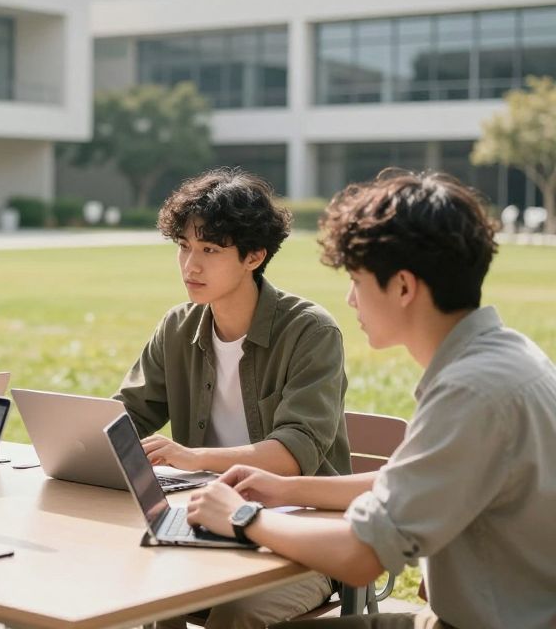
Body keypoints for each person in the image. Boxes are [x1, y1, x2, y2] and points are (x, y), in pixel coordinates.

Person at [186, 169, 556, 629]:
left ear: (403, 286)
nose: (350, 298)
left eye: (357, 280)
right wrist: (285, 488)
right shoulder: (504, 357)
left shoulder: (471, 392)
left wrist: (241, 516)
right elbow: (405, 481)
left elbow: (359, 557)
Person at [115, 167, 351, 628]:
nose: (190, 266)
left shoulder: (310, 332)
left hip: (304, 536)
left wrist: (192, 457)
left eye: (210, 250)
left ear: (254, 256)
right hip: (205, 522)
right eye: (184, 246)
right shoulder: (178, 327)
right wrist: (82, 440)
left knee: (236, 612)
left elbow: (294, 453)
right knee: (140, 589)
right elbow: (128, 413)